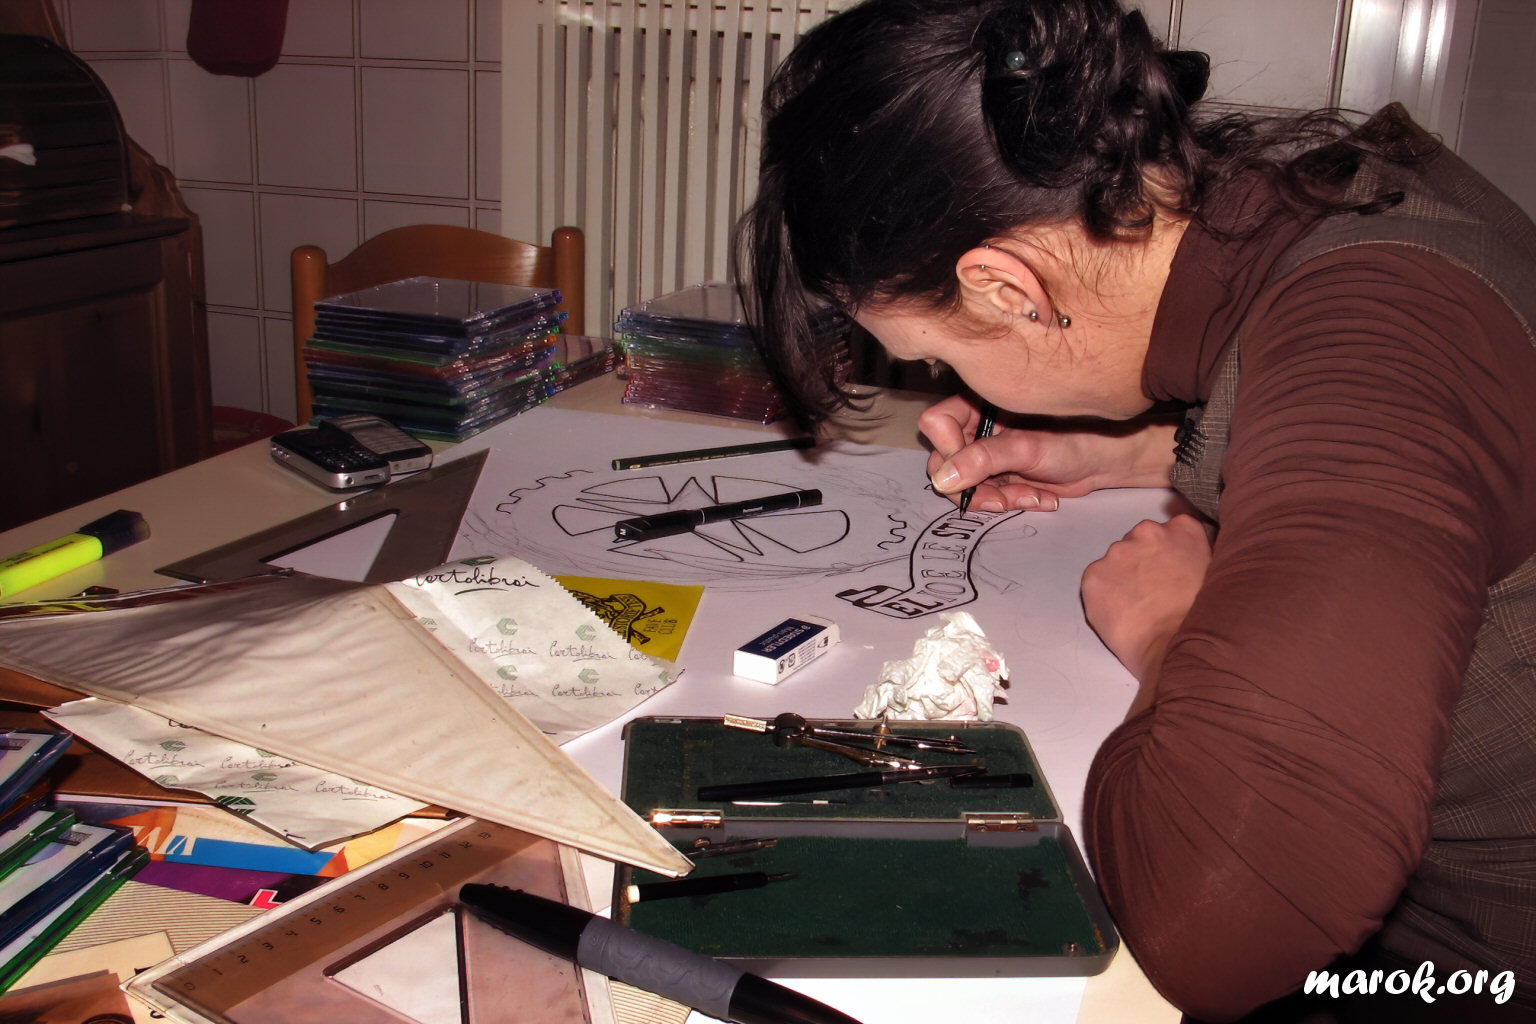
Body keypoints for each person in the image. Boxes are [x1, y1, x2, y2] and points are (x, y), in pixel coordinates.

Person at [735, 0, 1536, 1020]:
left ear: (1008, 289)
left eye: (938, 357)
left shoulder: (1376, 343)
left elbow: (1220, 925)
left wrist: (1172, 632)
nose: (950, 382)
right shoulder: (1309, 194)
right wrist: (1143, 448)